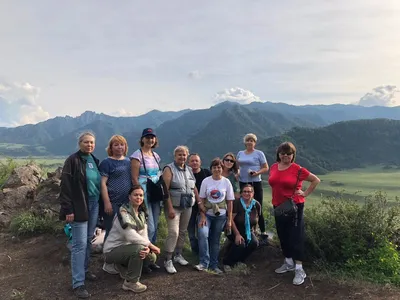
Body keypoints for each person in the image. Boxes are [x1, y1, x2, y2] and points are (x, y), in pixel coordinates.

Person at [268, 142, 320, 285]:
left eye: (288, 153)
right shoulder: (273, 167)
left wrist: (305, 193)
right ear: (278, 154)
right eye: (283, 153)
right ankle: (288, 262)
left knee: (296, 235)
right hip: (278, 205)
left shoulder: (298, 169)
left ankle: (299, 269)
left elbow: (316, 180)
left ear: (293, 155)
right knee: (282, 234)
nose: (285, 155)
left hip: (295, 205)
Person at [58, 131, 101, 299]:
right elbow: (65, 186)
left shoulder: (94, 160)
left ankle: (84, 270)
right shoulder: (73, 161)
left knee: (89, 239)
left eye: (92, 142)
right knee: (79, 244)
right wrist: (68, 209)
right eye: (86, 142)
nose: (89, 145)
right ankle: (78, 283)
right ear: (80, 143)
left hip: (94, 204)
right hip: (79, 206)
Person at [103, 185, 161, 293]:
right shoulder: (123, 212)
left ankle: (120, 266)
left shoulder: (142, 213)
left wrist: (147, 248)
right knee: (139, 250)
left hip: (129, 247)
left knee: (151, 257)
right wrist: (150, 245)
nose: (138, 197)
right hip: (113, 250)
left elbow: (144, 235)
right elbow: (130, 236)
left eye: (141, 195)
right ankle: (130, 282)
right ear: (129, 197)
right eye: (135, 195)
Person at [195, 158, 235, 274]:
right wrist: (202, 216)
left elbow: (230, 201)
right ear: (211, 169)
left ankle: (214, 265)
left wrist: (229, 220)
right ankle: (203, 263)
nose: (217, 169)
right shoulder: (206, 181)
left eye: (219, 167)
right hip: (207, 213)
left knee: (215, 240)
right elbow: (201, 200)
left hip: (221, 215)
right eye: (214, 167)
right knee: (203, 234)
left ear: (222, 169)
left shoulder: (226, 182)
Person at [162, 145, 197, 274]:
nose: (182, 157)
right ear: (175, 156)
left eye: (184, 155)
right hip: (174, 206)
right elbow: (165, 190)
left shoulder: (189, 169)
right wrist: (169, 207)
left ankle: (178, 255)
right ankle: (168, 259)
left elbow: (194, 187)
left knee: (182, 232)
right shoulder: (169, 169)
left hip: (187, 205)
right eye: (179, 154)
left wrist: (197, 200)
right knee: (173, 232)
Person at [130, 128, 162, 246]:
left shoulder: (156, 155)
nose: (150, 139)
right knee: (150, 226)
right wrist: (139, 195)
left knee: (156, 223)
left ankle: (150, 252)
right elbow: (134, 177)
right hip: (144, 193)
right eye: (147, 137)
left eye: (152, 137)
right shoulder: (137, 155)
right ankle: (144, 251)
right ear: (142, 139)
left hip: (155, 191)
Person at [237, 133, 269, 245]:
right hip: (243, 182)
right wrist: (237, 174)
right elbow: (238, 167)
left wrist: (257, 173)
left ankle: (263, 231)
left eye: (252, 140)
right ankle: (245, 230)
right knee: (243, 206)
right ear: (245, 142)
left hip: (255, 182)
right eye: (248, 140)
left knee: (257, 205)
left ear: (255, 142)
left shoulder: (259, 153)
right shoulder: (240, 153)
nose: (250, 142)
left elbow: (266, 167)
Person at [99, 135, 131, 241]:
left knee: (126, 229)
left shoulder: (129, 162)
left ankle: (120, 254)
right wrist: (107, 202)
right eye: (116, 145)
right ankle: (107, 254)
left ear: (125, 147)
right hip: (112, 202)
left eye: (122, 144)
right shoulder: (106, 163)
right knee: (111, 230)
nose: (119, 147)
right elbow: (102, 183)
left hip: (126, 203)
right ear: (111, 147)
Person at [222, 184, 260, 270]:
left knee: (254, 243)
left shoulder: (256, 204)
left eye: (249, 191)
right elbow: (231, 219)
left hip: (247, 230)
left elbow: (256, 219)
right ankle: (227, 262)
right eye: (245, 191)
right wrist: (237, 234)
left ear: (253, 193)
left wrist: (254, 231)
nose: (247, 193)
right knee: (240, 243)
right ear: (241, 193)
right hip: (233, 229)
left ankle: (240, 261)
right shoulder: (237, 203)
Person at [187, 153, 211, 255]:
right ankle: (195, 253)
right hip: (190, 207)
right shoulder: (186, 174)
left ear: (200, 162)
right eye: (192, 161)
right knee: (191, 232)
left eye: (196, 160)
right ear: (189, 163)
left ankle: (204, 251)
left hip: (205, 207)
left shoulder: (206, 173)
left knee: (203, 231)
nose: (194, 163)